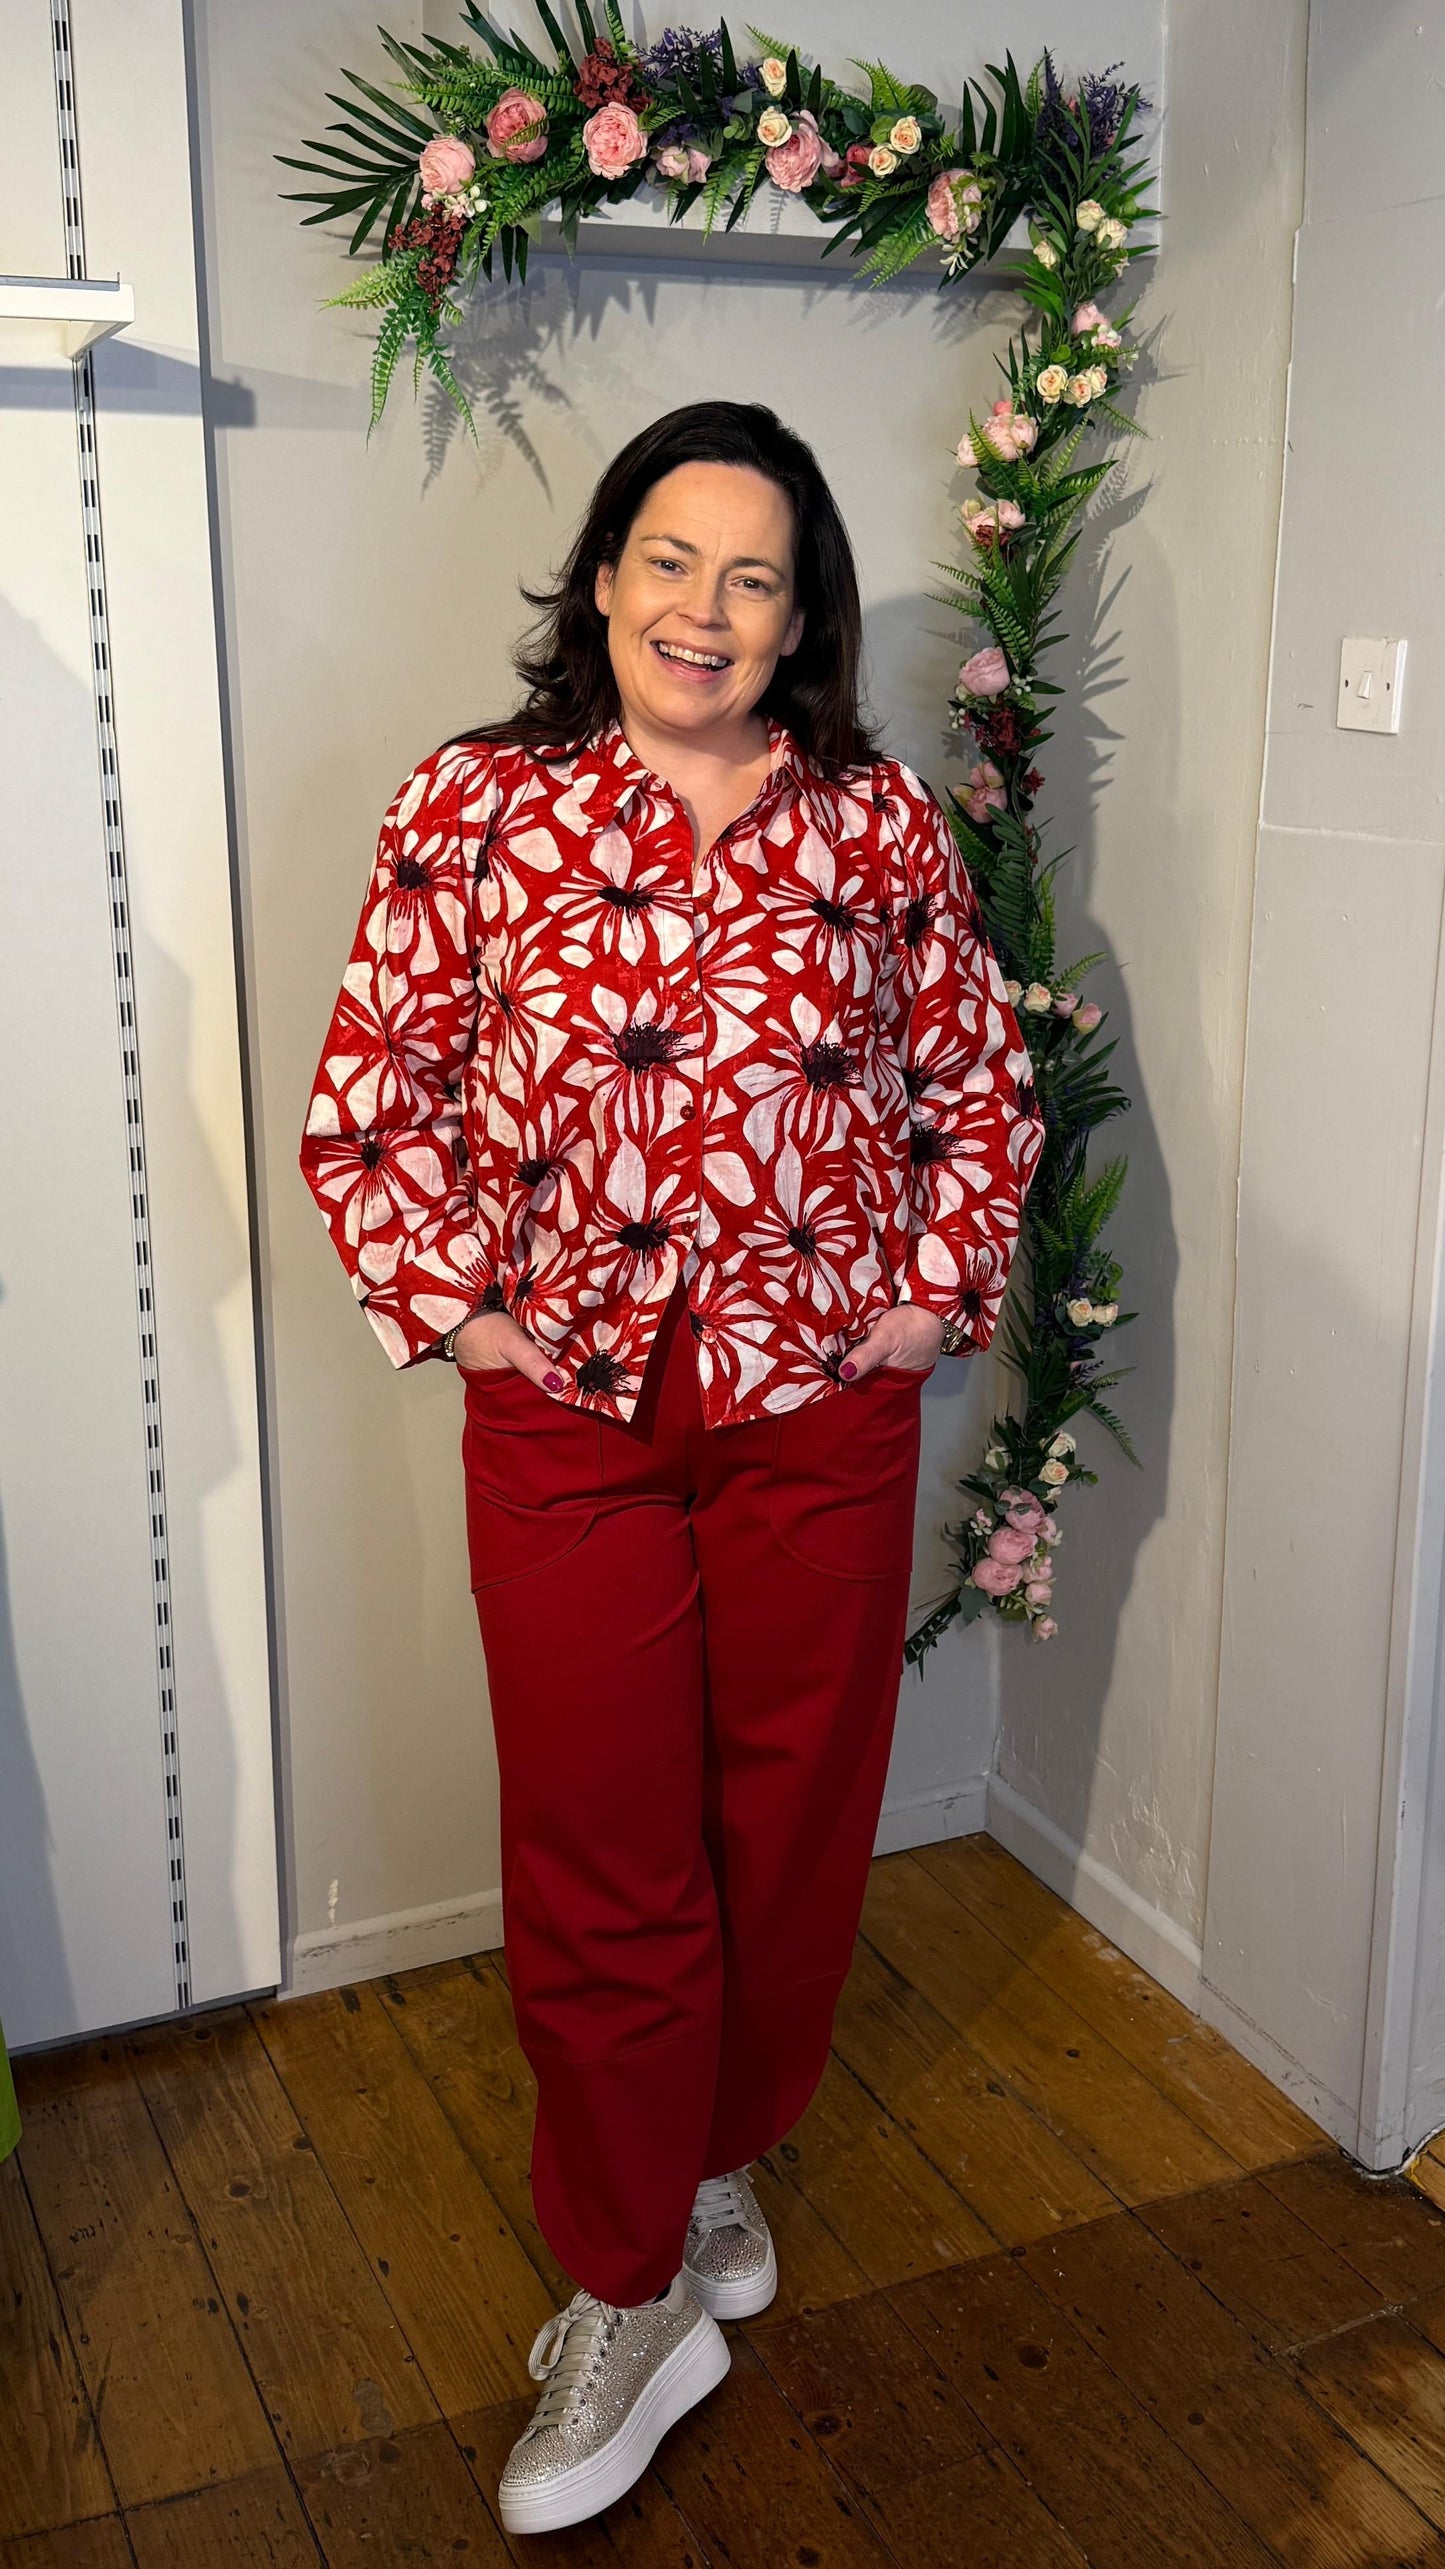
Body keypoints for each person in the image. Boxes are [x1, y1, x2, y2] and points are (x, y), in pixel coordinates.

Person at [300, 399, 1045, 2535]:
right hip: (576, 1422)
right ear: (604, 574)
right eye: (669, 558)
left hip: (822, 1408)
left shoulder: (879, 828)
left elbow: (976, 1088)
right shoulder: (479, 806)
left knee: (788, 1822)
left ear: (796, 611)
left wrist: (916, 1296)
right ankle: (627, 2286)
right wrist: (466, 1313)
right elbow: (374, 1088)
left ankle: (717, 2165)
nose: (705, 609)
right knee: (605, 1840)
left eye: (755, 575)